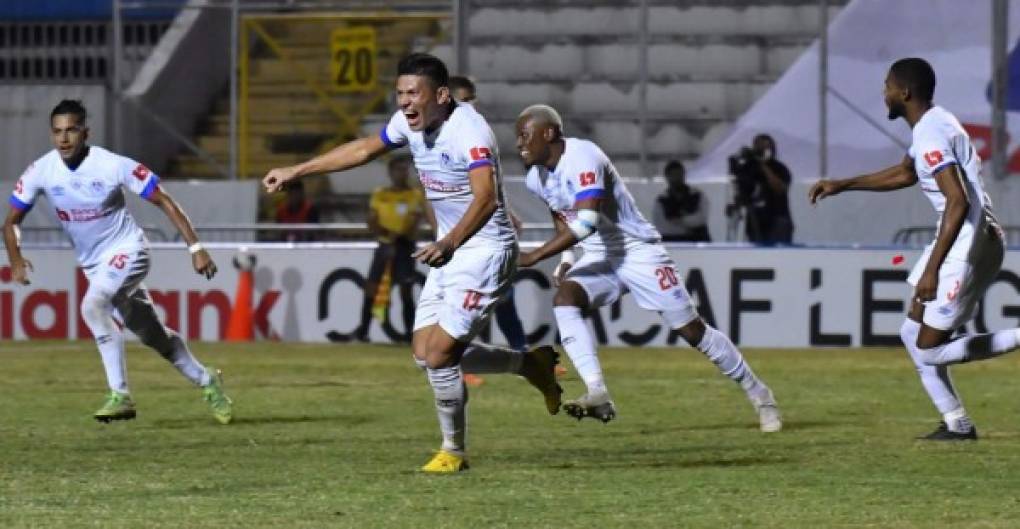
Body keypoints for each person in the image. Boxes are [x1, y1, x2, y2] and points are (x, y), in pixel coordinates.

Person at [262, 53, 562, 472]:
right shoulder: (410, 122)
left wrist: (450, 242)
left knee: (440, 355)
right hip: (451, 248)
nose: (404, 102)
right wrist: (299, 170)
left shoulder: (470, 132)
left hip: (484, 250)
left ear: (440, 95)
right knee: (424, 353)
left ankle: (452, 452)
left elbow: (486, 197)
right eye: (400, 93)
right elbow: (366, 148)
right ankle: (529, 363)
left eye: (413, 93)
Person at [515, 104, 781, 432]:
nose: (518, 143)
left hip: (637, 251)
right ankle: (598, 392)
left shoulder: (583, 155)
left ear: (548, 133)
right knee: (565, 300)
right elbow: (563, 218)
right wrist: (566, 261)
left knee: (693, 331)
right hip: (600, 254)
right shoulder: (534, 179)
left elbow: (586, 220)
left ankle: (759, 393)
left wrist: (533, 257)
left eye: (524, 135)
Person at [809, 57, 1020, 441]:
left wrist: (932, 270)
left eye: (887, 85)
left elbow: (956, 200)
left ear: (903, 92)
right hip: (974, 236)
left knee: (929, 350)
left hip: (965, 243)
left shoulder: (930, 134)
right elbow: (907, 173)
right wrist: (843, 184)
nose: (883, 93)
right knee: (912, 333)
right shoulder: (936, 123)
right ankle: (957, 423)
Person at [2, 99, 233, 424]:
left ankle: (120, 396)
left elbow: (163, 200)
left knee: (91, 306)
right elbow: (10, 221)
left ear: (86, 132)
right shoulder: (41, 171)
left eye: (71, 130)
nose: (64, 139)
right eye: (57, 132)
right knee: (154, 336)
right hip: (96, 265)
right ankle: (208, 380)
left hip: (130, 249)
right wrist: (15, 259)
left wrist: (195, 248)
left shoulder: (111, 165)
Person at [448, 74, 529, 387]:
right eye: (466, 99)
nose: (473, 104)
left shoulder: (476, 134)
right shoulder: (448, 137)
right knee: (465, 307)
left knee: (502, 300)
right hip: (464, 238)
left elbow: (485, 188)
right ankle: (458, 364)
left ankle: (523, 355)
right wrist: (447, 237)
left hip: (486, 235)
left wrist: (507, 214)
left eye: (473, 98)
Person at [354, 154, 425, 342]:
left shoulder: (414, 194)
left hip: (404, 246)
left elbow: (413, 221)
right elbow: (372, 220)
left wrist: (395, 235)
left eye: (404, 170)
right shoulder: (380, 194)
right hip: (384, 244)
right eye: (398, 169)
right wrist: (387, 234)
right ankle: (363, 331)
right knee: (372, 288)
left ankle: (411, 334)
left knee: (405, 290)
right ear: (390, 172)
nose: (402, 173)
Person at [728, 134, 793, 244]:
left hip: (778, 221)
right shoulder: (749, 168)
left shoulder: (780, 168)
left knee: (777, 257)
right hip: (755, 222)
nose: (761, 150)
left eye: (765, 147)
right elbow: (744, 191)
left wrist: (762, 165)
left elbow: (780, 188)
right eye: (758, 147)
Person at [652, 160, 711, 242]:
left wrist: (681, 220)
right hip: (672, 242)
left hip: (697, 240)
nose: (677, 178)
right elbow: (661, 226)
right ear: (667, 177)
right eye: (673, 175)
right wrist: (686, 228)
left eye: (679, 174)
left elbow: (701, 218)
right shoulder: (661, 200)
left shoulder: (697, 195)